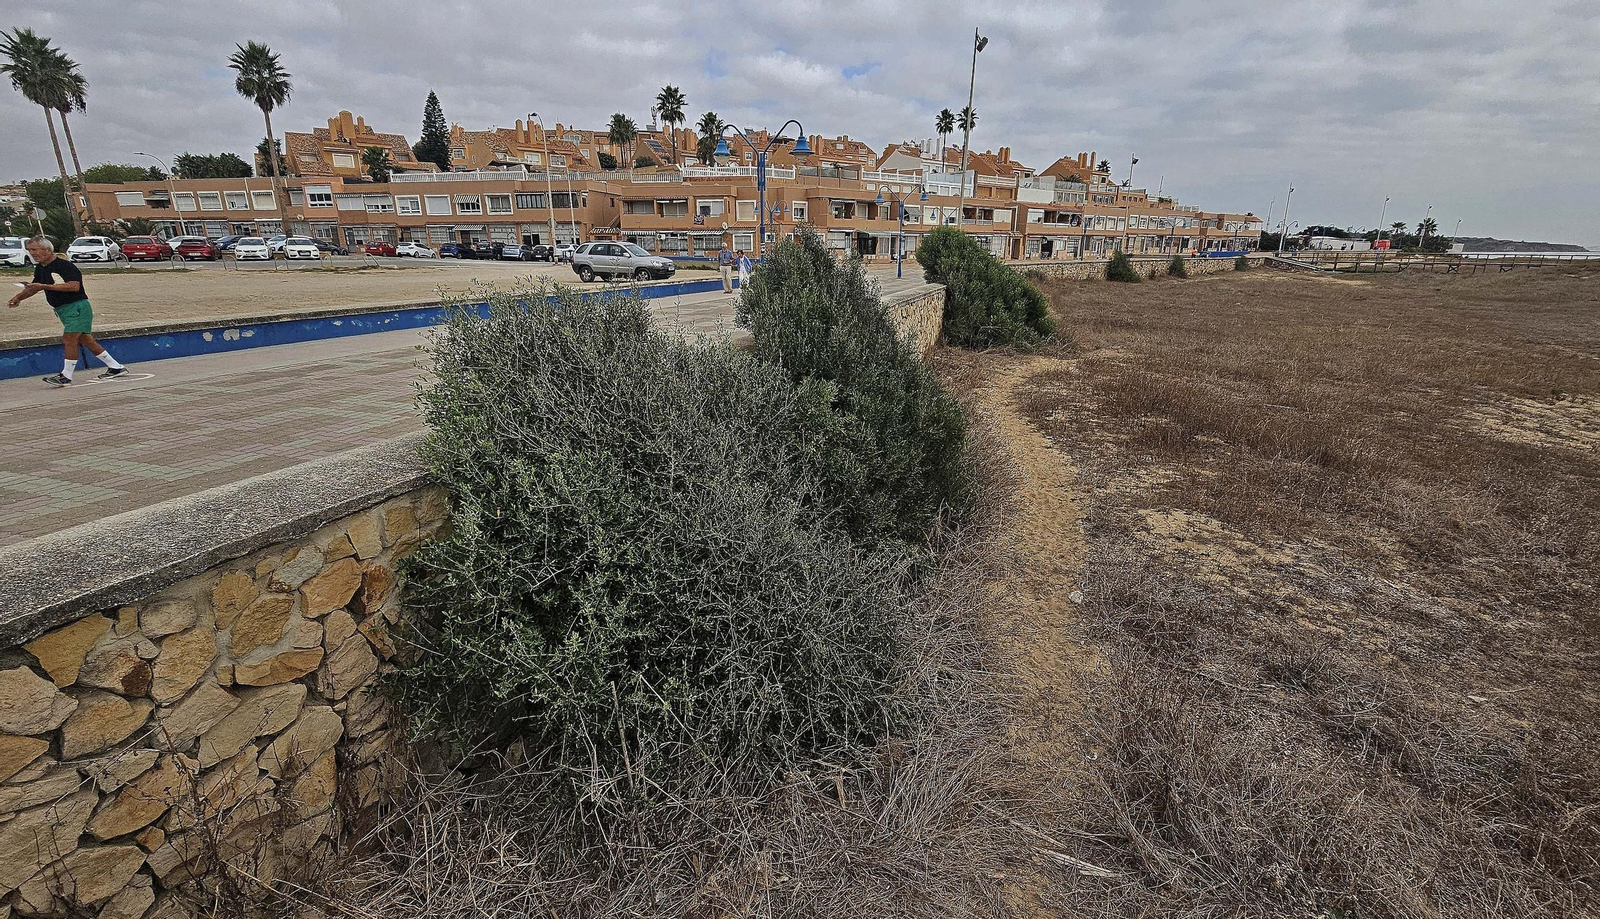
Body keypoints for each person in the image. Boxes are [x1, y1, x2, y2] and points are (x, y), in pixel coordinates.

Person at [6, 236, 128, 386]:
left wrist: (45, 286)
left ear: (46, 250)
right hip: (63, 310)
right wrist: (18, 297)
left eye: (34, 250)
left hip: (77, 307)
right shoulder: (41, 268)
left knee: (69, 339)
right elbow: (35, 287)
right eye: (29, 250)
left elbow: (73, 286)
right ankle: (116, 367)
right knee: (85, 339)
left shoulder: (64, 266)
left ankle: (66, 376)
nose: (31, 253)